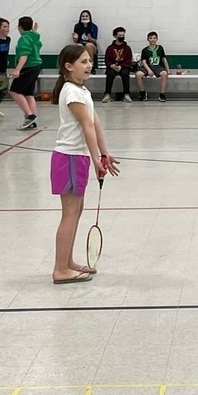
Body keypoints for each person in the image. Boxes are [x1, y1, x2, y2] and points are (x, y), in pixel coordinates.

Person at [49, 44, 120, 284]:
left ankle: (68, 263)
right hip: (68, 157)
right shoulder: (71, 92)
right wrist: (94, 158)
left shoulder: (83, 91)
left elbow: (96, 123)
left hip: (76, 157)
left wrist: (105, 153)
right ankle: (60, 269)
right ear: (69, 67)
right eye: (83, 61)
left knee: (76, 212)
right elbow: (86, 126)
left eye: (89, 61)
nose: (88, 65)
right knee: (69, 214)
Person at [11, 17, 43, 130]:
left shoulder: (24, 38)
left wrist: (17, 69)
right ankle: (33, 121)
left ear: (19, 27)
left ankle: (29, 116)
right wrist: (34, 31)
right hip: (36, 67)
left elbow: (24, 54)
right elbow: (36, 40)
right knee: (29, 94)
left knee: (14, 91)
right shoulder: (34, 36)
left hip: (28, 67)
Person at [102, 27, 135, 103]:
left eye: (123, 35)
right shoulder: (110, 48)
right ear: (115, 36)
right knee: (110, 74)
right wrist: (111, 65)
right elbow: (107, 60)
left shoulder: (127, 48)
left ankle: (126, 94)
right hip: (112, 66)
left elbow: (128, 60)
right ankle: (107, 94)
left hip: (124, 66)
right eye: (120, 35)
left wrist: (121, 66)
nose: (122, 37)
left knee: (125, 74)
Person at [135, 31, 170, 102]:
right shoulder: (145, 50)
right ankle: (143, 93)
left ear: (157, 39)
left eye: (154, 38)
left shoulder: (160, 48)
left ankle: (162, 94)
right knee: (138, 74)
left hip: (158, 67)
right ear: (148, 39)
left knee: (164, 74)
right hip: (147, 67)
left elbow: (164, 59)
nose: (152, 40)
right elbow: (143, 61)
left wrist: (168, 69)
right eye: (150, 38)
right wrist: (149, 70)